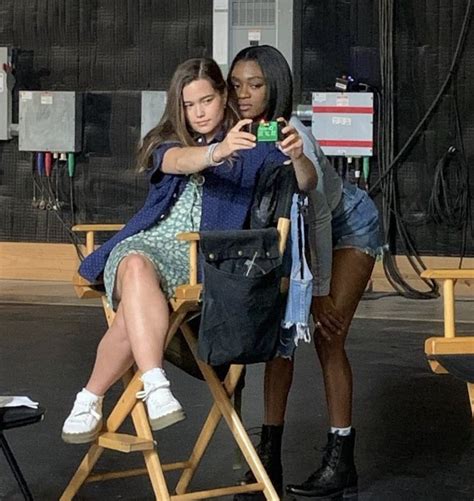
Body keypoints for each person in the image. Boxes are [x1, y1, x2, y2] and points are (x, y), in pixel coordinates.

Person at [61, 57, 316, 445]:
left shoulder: (255, 143)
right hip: (147, 243)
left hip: (199, 259)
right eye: (188, 104)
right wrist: (217, 152)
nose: (198, 112)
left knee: (134, 307)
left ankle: (89, 397)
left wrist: (298, 155)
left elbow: (307, 184)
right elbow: (179, 162)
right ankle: (155, 382)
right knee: (134, 262)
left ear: (223, 96)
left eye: (207, 101)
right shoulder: (165, 140)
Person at [229, 45, 383, 499]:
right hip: (292, 238)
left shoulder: (294, 136)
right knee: (281, 339)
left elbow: (315, 219)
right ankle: (268, 461)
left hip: (346, 225)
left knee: (328, 334)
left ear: (274, 86)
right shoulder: (237, 129)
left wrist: (318, 293)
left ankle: (341, 462)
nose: (244, 94)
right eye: (236, 85)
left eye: (255, 85)